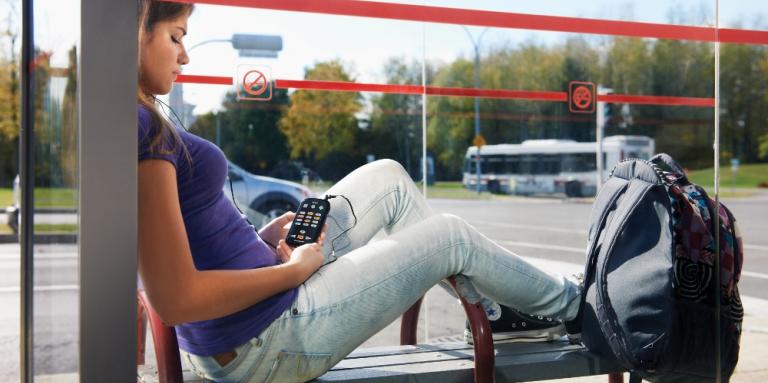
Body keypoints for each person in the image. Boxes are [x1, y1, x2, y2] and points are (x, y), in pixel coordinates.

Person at [137, 1, 582, 382]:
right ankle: (579, 305)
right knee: (451, 237)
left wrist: (262, 242)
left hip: (259, 310)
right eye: (176, 37)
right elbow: (177, 298)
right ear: (137, 30)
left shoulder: (140, 120)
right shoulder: (142, 130)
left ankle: (495, 313)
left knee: (388, 177)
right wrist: (293, 272)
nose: (185, 56)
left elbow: (191, 243)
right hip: (266, 338)